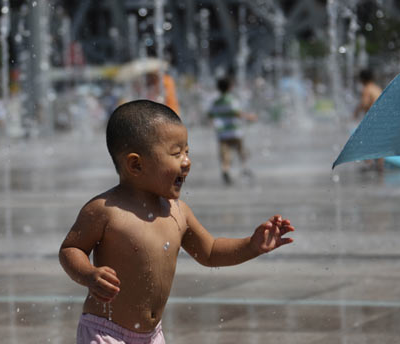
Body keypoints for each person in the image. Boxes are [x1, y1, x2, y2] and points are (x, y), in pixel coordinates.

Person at [59, 100, 294, 344]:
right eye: (176, 153)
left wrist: (252, 245)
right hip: (106, 332)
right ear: (136, 164)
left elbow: (211, 252)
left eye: (187, 152)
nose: (186, 161)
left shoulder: (178, 212)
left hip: (152, 335)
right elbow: (70, 249)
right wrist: (88, 274)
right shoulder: (105, 210)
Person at [208, 77, 257, 185]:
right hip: (235, 131)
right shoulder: (231, 100)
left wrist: (215, 124)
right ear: (230, 87)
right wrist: (250, 117)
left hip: (222, 133)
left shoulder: (216, 102)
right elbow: (237, 113)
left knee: (225, 154)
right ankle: (245, 168)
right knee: (241, 151)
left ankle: (226, 170)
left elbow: (210, 115)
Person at [353, 69, 384, 173]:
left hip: (372, 119)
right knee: (378, 143)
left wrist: (356, 111)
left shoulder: (366, 89)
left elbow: (365, 103)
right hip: (380, 118)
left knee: (365, 142)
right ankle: (380, 166)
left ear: (362, 79)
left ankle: (369, 165)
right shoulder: (376, 88)